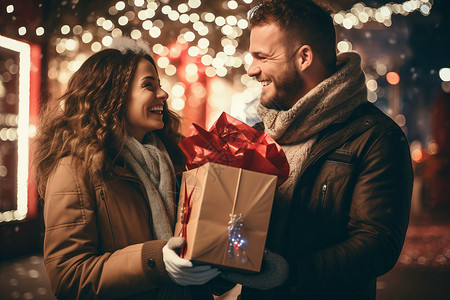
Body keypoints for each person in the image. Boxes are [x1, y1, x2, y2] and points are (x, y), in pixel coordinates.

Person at [221, 0, 414, 299]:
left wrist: (290, 272)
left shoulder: (376, 136)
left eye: (262, 56)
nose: (251, 69)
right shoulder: (259, 137)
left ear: (304, 57)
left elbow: (376, 244)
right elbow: (239, 231)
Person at [33, 37, 223, 299]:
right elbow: (69, 276)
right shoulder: (74, 169)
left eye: (159, 85)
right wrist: (154, 263)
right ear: (113, 96)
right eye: (148, 86)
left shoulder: (177, 160)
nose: (163, 94)